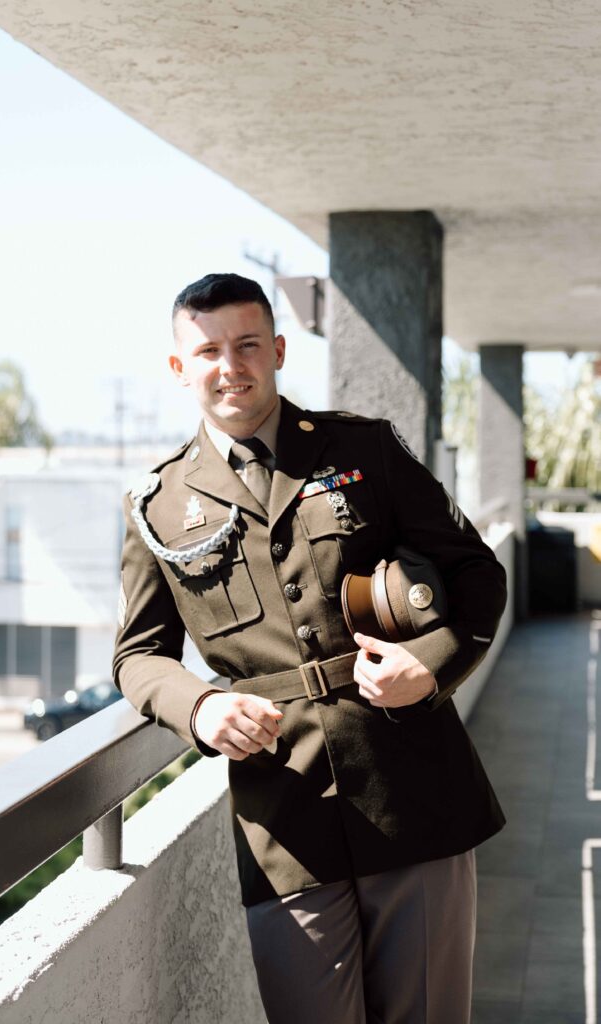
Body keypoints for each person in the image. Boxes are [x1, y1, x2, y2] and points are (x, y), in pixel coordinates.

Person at [113, 272, 507, 1024]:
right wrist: (198, 709)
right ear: (179, 367)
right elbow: (137, 654)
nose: (231, 366)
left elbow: (475, 574)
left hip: (414, 789)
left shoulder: (363, 450)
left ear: (279, 349)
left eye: (248, 344)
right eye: (209, 350)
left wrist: (427, 668)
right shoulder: (154, 506)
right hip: (282, 816)